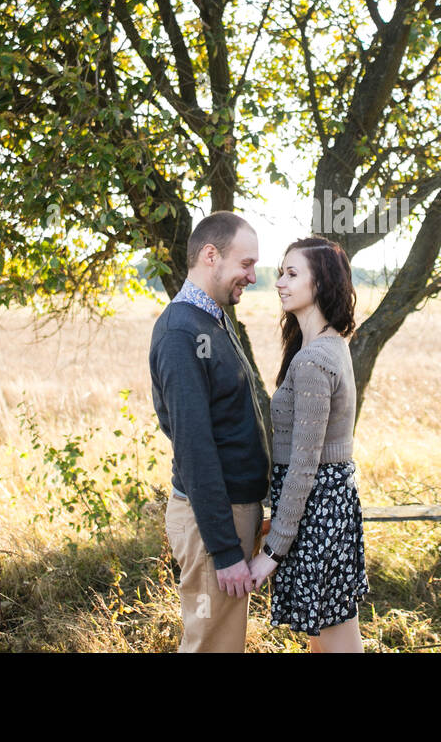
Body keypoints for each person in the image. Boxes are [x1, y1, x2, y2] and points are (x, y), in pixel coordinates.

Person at [150, 211, 272, 652]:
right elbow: (194, 448)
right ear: (210, 255)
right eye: (246, 264)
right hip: (211, 522)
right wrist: (223, 550)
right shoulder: (182, 330)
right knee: (211, 646)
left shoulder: (212, 320)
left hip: (230, 514)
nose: (253, 277)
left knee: (222, 643)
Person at [248, 236, 368, 653]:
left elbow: (304, 466)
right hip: (327, 508)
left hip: (318, 511)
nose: (279, 282)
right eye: (281, 272)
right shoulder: (329, 345)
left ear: (320, 284)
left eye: (292, 273)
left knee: (335, 638)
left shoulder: (315, 359)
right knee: (326, 634)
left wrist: (272, 552)